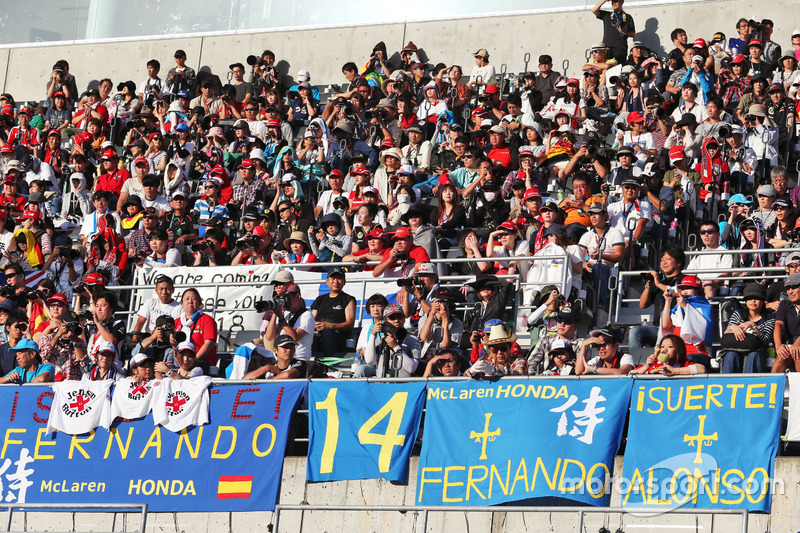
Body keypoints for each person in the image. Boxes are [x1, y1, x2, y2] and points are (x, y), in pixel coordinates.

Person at [721, 283, 775, 374]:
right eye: (749, 298)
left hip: (757, 350)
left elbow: (765, 340)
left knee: (754, 355)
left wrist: (753, 326)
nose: (753, 301)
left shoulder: (770, 318)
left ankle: (752, 386)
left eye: (757, 298)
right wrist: (732, 327)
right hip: (736, 348)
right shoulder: (738, 313)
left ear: (763, 301)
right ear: (745, 301)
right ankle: (728, 385)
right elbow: (726, 337)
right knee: (731, 355)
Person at [660, 275, 713, 364]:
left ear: (697, 290)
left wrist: (685, 306)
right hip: (678, 351)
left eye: (688, 288)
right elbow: (665, 325)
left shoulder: (705, 306)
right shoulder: (677, 307)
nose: (684, 292)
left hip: (698, 352)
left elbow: (702, 328)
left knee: (688, 359)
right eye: (683, 289)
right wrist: (668, 301)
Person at [263, 283, 315, 363]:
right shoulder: (285, 314)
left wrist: (281, 318)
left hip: (299, 360)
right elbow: (270, 337)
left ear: (298, 296)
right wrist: (275, 312)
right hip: (281, 361)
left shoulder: (307, 315)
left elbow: (295, 338)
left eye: (287, 298)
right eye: (282, 298)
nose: (285, 302)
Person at [527, 305, 585, 375]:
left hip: (571, 382)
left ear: (576, 325)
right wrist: (539, 378)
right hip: (547, 383)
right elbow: (529, 365)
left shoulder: (582, 344)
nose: (562, 324)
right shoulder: (545, 340)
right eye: (559, 320)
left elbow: (582, 371)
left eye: (567, 321)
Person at [310, 269, 356, 357]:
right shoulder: (320, 299)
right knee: (309, 334)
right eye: (333, 278)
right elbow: (311, 319)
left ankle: (328, 365)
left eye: (339, 278)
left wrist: (329, 326)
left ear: (344, 282)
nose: (336, 281)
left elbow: (350, 324)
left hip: (337, 335)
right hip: (319, 334)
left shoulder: (348, 299)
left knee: (328, 333)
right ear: (327, 281)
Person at [686, 221, 733, 298]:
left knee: (708, 284)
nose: (706, 235)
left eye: (710, 232)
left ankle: (709, 309)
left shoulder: (724, 252)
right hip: (698, 286)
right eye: (703, 232)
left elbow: (725, 274)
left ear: (718, 235)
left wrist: (708, 283)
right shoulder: (698, 254)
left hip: (715, 286)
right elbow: (688, 274)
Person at [173, 288, 218, 366]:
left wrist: (193, 360)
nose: (190, 301)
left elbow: (209, 343)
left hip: (201, 361)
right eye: (187, 299)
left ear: (200, 302)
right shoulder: (176, 322)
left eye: (194, 299)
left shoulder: (207, 320)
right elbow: (174, 346)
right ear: (182, 304)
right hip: (180, 362)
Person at [630, 334, 706, 375]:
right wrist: (647, 366)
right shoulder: (656, 365)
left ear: (678, 350)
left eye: (670, 347)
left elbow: (701, 369)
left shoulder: (684, 363)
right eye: (662, 347)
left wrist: (675, 371)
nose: (664, 350)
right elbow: (630, 374)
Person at [772, 273, 800, 373]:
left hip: (797, 343)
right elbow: (778, 324)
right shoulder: (785, 304)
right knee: (781, 356)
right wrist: (779, 346)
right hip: (790, 342)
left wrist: (797, 344)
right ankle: (772, 386)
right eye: (788, 288)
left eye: (794, 287)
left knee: (798, 354)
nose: (790, 292)